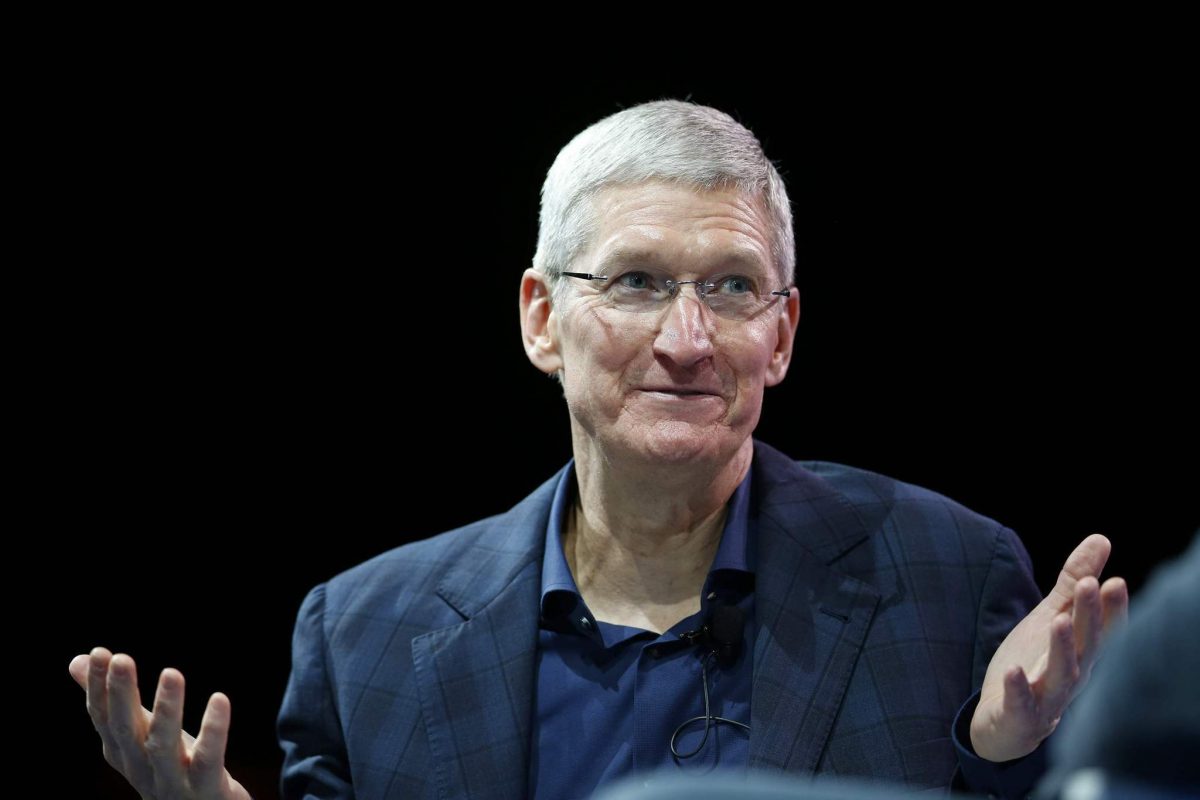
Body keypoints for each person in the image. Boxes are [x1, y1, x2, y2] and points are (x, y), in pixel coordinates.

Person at [70, 100, 1129, 800]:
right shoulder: (366, 637)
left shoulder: (948, 579)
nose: (685, 338)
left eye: (729, 286)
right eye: (634, 281)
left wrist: (1003, 752)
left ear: (783, 333)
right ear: (541, 319)